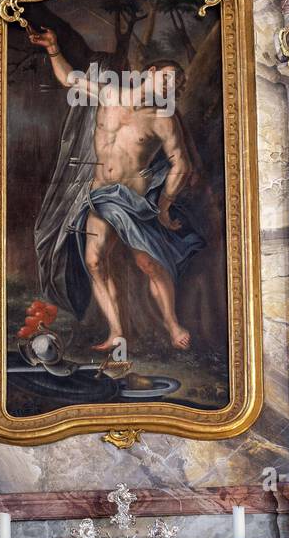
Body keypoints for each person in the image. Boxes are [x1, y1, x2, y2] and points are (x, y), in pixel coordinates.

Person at [29, 26, 203, 351]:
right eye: (167, 78)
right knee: (94, 262)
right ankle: (116, 332)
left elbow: (182, 164)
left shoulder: (163, 120)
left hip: (132, 200)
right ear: (150, 73)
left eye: (176, 84)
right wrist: (53, 48)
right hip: (99, 194)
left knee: (148, 264)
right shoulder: (109, 95)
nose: (171, 86)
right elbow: (69, 79)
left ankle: (171, 323)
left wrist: (164, 207)